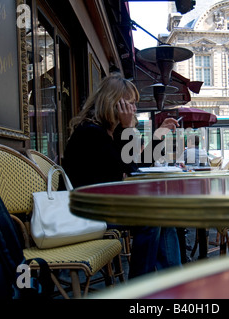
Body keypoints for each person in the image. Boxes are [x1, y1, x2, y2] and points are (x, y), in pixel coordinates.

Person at [62, 73, 181, 279]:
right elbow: (124, 171)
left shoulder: (110, 133)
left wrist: (157, 136)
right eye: (130, 103)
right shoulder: (91, 133)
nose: (134, 109)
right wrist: (126, 128)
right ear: (114, 103)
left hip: (101, 203)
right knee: (151, 219)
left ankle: (175, 282)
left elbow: (134, 166)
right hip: (85, 211)